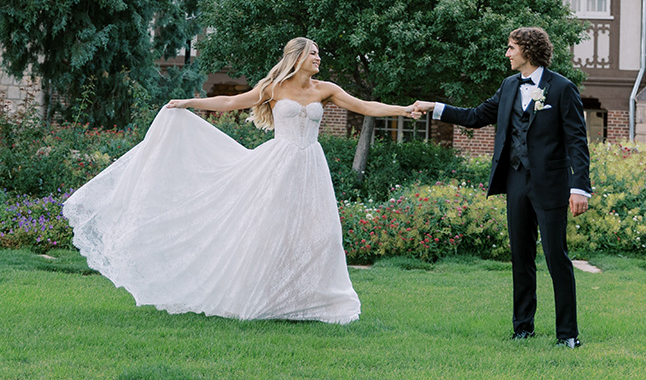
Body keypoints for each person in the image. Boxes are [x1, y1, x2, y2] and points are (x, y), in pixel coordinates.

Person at [63, 37, 418, 325]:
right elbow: (232, 100)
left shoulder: (325, 89)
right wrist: (191, 101)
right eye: (313, 54)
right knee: (270, 231)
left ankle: (315, 299)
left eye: (319, 54)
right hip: (278, 165)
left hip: (311, 165)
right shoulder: (275, 88)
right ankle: (260, 297)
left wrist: (403, 110)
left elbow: (365, 106)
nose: (318, 59)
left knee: (320, 233)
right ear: (296, 57)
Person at [411, 27, 591, 348]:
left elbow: (577, 142)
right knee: (520, 258)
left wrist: (580, 187)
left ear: (528, 50)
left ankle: (568, 334)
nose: (507, 54)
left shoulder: (562, 88)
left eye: (511, 48)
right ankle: (523, 329)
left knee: (555, 257)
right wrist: (434, 107)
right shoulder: (509, 86)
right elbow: (475, 116)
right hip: (516, 180)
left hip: (551, 185)